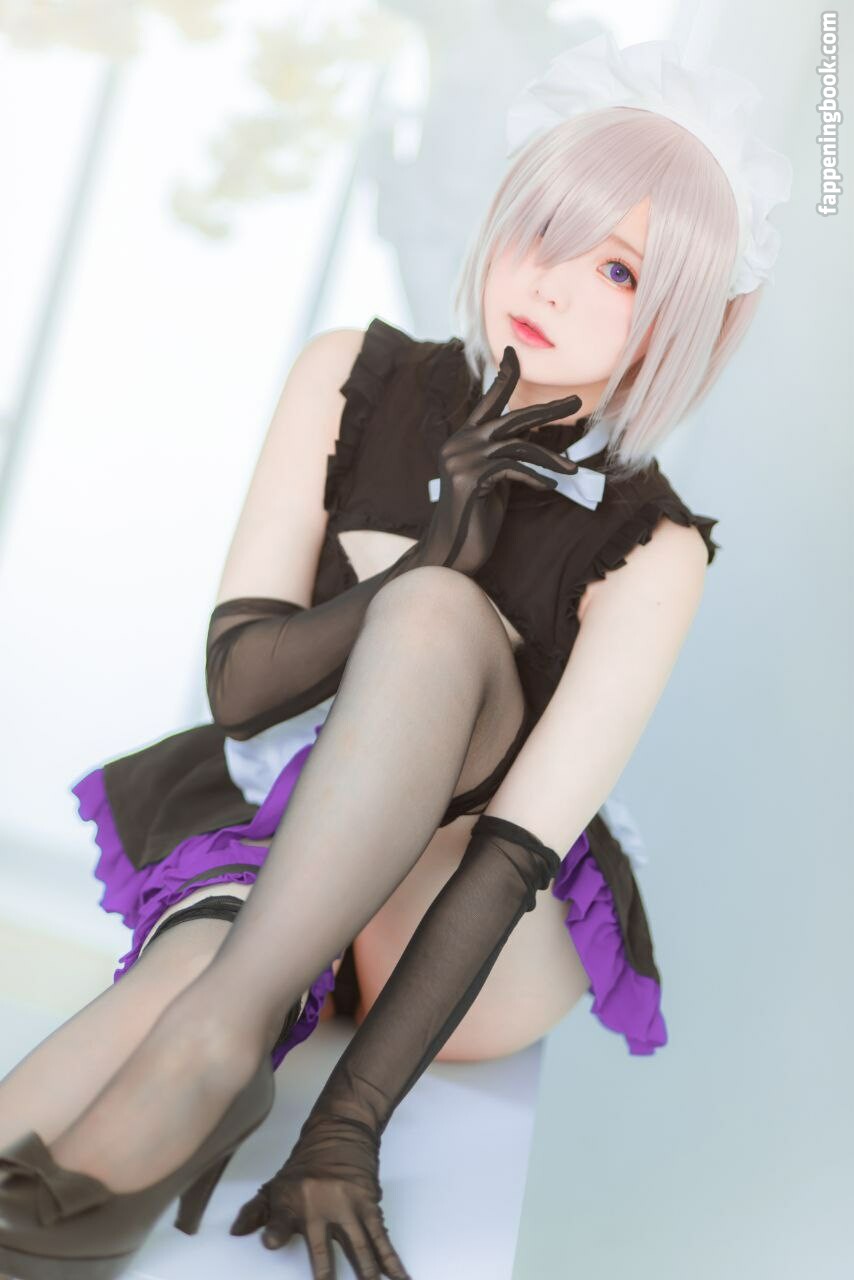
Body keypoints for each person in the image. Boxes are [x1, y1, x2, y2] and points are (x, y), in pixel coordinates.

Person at [0, 33, 791, 1280]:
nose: (550, 279)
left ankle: (222, 1040)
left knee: (430, 616)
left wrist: (347, 1124)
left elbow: (515, 848)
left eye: (617, 268)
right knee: (193, 960)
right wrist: (437, 540)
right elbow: (240, 691)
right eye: (544, 225)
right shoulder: (348, 377)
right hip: (287, 845)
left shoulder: (654, 547)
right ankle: (81, 1182)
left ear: (675, 321)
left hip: (466, 909)